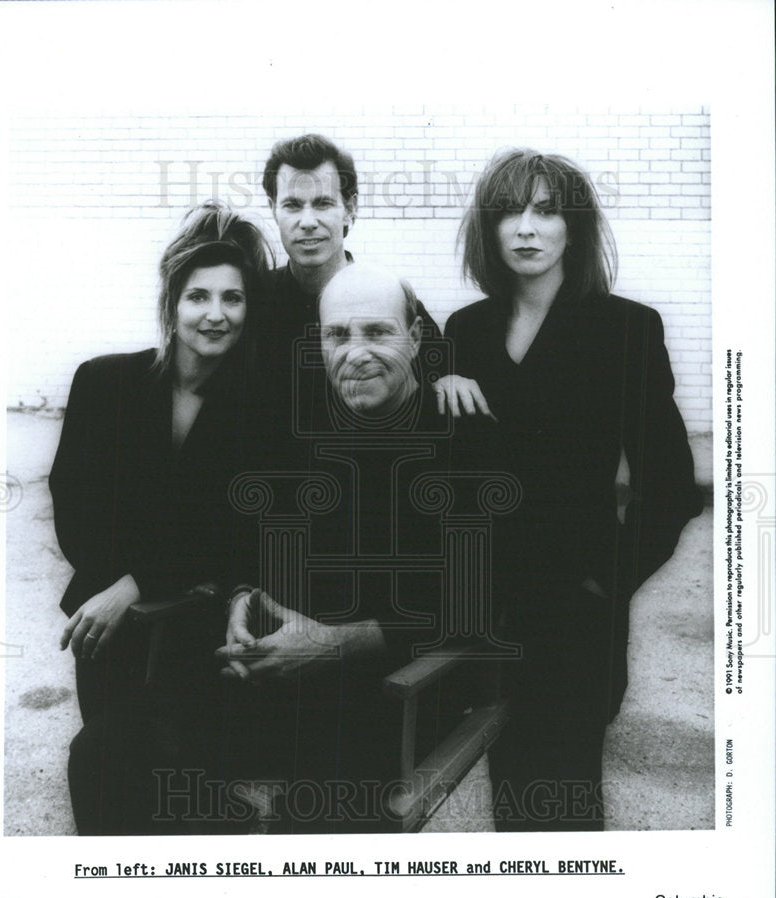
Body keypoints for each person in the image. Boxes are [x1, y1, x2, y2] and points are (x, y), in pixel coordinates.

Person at [436, 148, 704, 831]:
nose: (525, 227)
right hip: (486, 618)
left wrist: (603, 583)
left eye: (545, 211)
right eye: (508, 212)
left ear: (572, 228)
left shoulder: (623, 329)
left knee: (564, 802)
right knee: (507, 805)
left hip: (574, 620)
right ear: (488, 230)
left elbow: (669, 485)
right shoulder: (464, 332)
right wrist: (436, 386)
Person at [216, 264, 466, 833]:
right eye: (337, 335)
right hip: (276, 677)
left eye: (378, 333)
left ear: (418, 339)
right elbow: (250, 541)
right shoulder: (301, 430)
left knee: (317, 811)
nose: (355, 353)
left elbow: (479, 597)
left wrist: (338, 643)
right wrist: (241, 600)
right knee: (114, 751)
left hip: (393, 695)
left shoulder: (463, 437)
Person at [50, 200, 272, 834]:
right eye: (198, 296)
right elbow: (77, 507)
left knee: (170, 778)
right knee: (109, 769)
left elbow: (234, 528)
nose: (215, 314)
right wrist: (117, 589)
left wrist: (138, 581)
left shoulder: (255, 408)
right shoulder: (103, 383)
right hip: (106, 620)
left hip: (195, 627)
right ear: (172, 304)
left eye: (233, 298)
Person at [255, 133, 440, 442]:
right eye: (292, 205)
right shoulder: (253, 303)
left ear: (350, 208)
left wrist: (451, 380)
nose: (308, 221)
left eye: (323, 203)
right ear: (274, 208)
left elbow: (436, 392)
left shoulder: (390, 305)